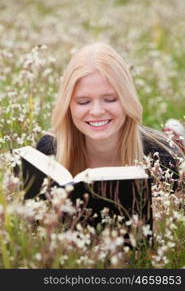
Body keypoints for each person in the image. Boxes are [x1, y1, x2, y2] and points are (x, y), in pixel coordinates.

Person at [20, 42, 184, 219]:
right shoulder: (49, 151)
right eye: (83, 102)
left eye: (110, 99)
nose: (97, 111)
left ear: (127, 100)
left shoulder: (161, 158)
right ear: (68, 106)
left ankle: (177, 138)